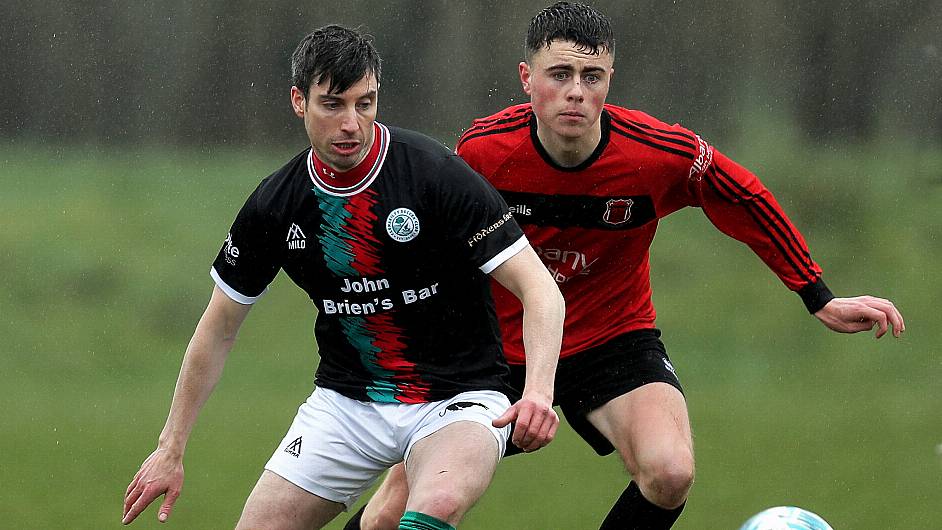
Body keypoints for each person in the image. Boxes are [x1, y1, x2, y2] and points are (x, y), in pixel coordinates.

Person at [345, 3, 906, 529]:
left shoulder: (657, 154)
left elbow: (746, 198)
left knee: (670, 473)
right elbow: (431, 251)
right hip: (498, 351)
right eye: (559, 74)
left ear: (610, 80)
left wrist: (818, 295)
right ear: (526, 79)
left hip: (613, 340)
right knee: (390, 515)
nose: (575, 93)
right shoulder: (483, 153)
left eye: (593, 77)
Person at [121, 24, 565, 530]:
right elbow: (219, 327)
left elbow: (540, 289)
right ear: (298, 101)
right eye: (333, 105)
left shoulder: (434, 174)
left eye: (366, 103)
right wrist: (170, 448)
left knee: (434, 508)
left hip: (458, 397)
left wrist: (536, 392)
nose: (352, 123)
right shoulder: (276, 203)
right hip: (348, 403)